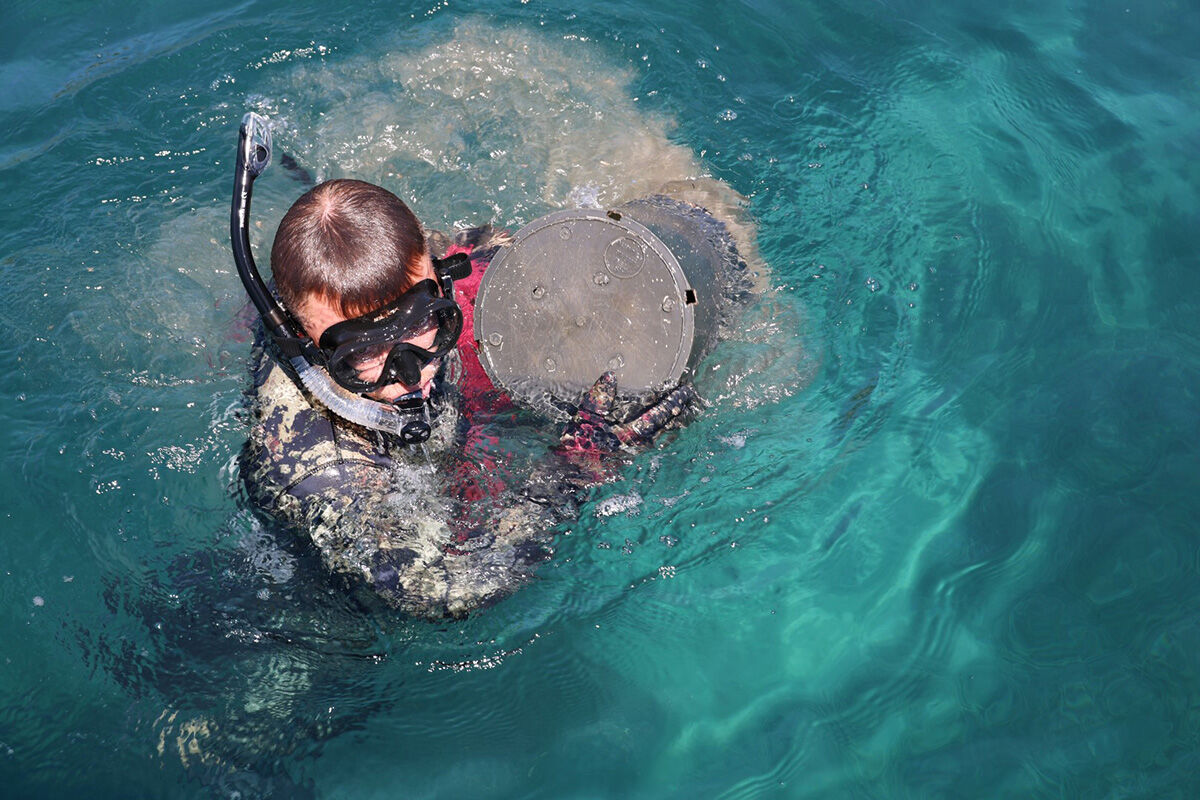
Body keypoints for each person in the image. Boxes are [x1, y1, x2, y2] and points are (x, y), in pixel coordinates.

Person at [237, 172, 708, 618]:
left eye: (423, 320)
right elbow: (447, 592)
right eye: (361, 352)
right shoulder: (318, 465)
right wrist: (571, 470)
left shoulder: (424, 274)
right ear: (298, 338)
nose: (410, 374)